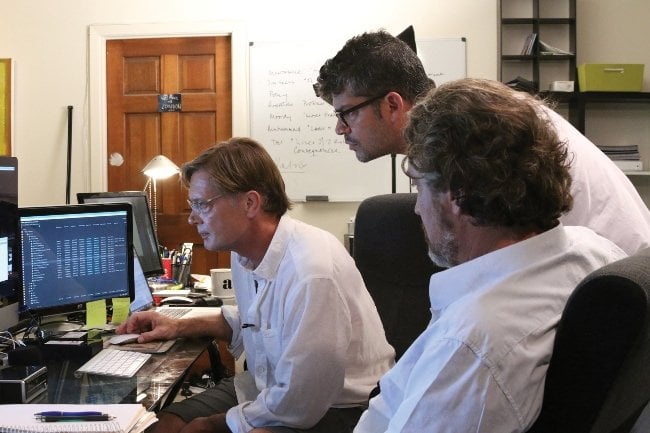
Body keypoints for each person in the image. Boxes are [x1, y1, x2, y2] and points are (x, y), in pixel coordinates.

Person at [351, 78, 628, 432]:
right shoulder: (593, 249)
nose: (417, 209)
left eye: (419, 185)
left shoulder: (473, 344)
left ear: (457, 193)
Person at [117, 137, 394, 433]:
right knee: (164, 425)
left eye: (201, 205)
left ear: (250, 203)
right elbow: (256, 324)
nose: (191, 219)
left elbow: (301, 404)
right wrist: (176, 326)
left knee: (199, 430)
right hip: (272, 388)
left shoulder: (311, 271)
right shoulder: (245, 254)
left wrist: (213, 423)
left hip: (340, 408)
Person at [315, 30, 650, 255]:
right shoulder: (463, 129)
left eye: (346, 113)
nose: (340, 129)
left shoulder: (477, 139)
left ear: (392, 105)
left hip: (614, 298)